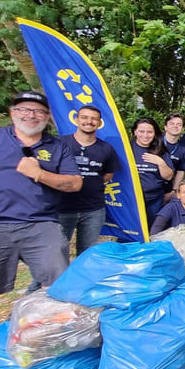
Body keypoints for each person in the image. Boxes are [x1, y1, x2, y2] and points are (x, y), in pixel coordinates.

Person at [0, 90, 82, 352]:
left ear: (48, 117)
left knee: (58, 282)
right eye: (25, 109)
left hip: (41, 224)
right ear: (13, 113)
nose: (31, 115)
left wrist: (40, 174)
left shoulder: (57, 147)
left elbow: (74, 183)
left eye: (38, 111)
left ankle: (51, 337)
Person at [56, 105, 120, 256]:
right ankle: (46, 281)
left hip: (93, 209)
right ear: (76, 120)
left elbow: (108, 175)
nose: (89, 121)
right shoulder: (59, 144)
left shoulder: (106, 149)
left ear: (99, 123)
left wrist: (91, 182)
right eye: (84, 117)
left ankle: (80, 280)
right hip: (62, 208)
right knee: (55, 254)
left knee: (86, 255)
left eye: (94, 119)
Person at [130, 116, 175, 225]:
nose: (145, 135)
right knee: (131, 232)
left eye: (149, 132)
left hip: (154, 199)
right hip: (131, 199)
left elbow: (169, 176)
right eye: (141, 131)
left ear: (155, 133)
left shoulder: (160, 150)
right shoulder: (127, 149)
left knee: (152, 231)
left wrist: (160, 162)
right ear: (135, 132)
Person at [163, 113, 185, 199]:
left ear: (182, 129)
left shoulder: (183, 149)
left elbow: (181, 171)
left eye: (179, 124)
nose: (175, 126)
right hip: (150, 189)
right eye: (172, 123)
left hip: (168, 190)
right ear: (165, 127)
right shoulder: (155, 142)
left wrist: (174, 191)